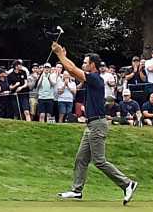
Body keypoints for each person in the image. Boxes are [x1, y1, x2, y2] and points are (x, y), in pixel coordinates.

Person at [51, 41, 133, 202]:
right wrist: (63, 56)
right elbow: (73, 68)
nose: (84, 65)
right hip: (91, 124)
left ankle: (127, 183)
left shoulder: (95, 78)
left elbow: (73, 70)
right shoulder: (91, 77)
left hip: (97, 125)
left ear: (93, 65)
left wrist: (60, 54)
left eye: (86, 63)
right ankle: (77, 190)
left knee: (99, 161)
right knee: (81, 158)